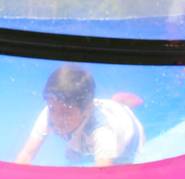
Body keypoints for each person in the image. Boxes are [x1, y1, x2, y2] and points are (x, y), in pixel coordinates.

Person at [16, 63, 145, 166]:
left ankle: (123, 105)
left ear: (86, 110)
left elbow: (103, 177)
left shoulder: (102, 132)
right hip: (97, 115)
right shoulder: (51, 112)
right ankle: (116, 103)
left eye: (66, 112)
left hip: (129, 137)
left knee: (122, 169)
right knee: (74, 155)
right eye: (52, 108)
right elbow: (27, 154)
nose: (57, 119)